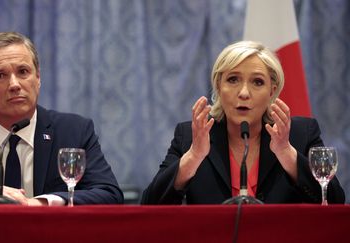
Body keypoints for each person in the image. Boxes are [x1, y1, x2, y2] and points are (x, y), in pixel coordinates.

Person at [0, 32, 123, 206]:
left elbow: (109, 194)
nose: (15, 84)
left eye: (23, 72)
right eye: (0, 75)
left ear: (38, 78)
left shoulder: (74, 130)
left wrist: (39, 203)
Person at [142, 41, 345, 204]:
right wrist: (194, 156)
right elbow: (151, 204)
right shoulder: (192, 135)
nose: (244, 93)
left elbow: (335, 201)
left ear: (272, 91)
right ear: (219, 86)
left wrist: (286, 152)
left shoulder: (300, 134)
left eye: (257, 82)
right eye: (232, 80)